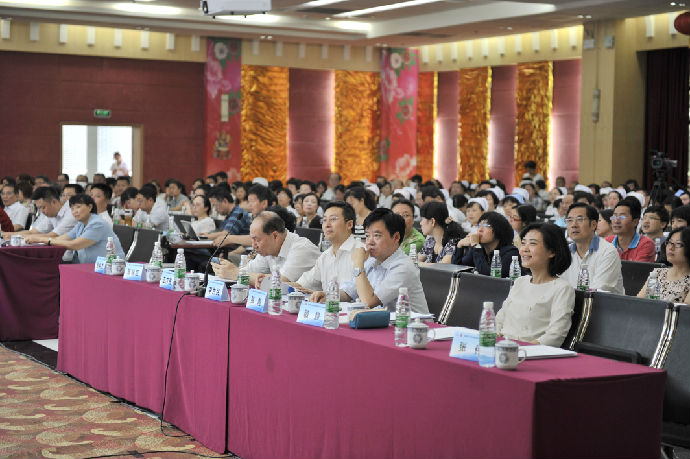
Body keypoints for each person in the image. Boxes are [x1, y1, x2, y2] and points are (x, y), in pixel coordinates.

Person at [312, 208, 429, 314]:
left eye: (377, 235)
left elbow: (368, 302)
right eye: (367, 235)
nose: (369, 242)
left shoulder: (403, 267)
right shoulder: (372, 260)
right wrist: (328, 295)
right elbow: (350, 292)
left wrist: (358, 265)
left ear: (396, 237)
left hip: (412, 327)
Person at [496, 222, 575, 347]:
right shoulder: (520, 282)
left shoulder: (562, 288)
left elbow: (555, 335)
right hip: (502, 347)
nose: (524, 249)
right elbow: (499, 319)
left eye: (532, 243)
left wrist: (521, 349)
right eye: (523, 243)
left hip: (529, 352)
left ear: (551, 251)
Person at [211, 211, 320, 284]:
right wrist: (226, 269)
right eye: (252, 239)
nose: (253, 245)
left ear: (275, 235)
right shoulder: (268, 249)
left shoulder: (301, 248)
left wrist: (236, 274)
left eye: (257, 240)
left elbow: (281, 283)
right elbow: (249, 271)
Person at [26, 194, 125, 263]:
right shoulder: (81, 224)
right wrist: (37, 240)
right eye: (72, 209)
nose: (74, 211)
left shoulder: (97, 224)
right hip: (90, 267)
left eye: (78, 207)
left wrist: (41, 239)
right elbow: (61, 239)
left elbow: (74, 245)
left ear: (90, 207)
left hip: (110, 268)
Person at [293, 201, 365, 293]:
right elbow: (302, 284)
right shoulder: (325, 256)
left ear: (349, 224)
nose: (327, 225)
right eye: (324, 220)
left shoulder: (362, 252)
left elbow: (356, 292)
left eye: (333, 219)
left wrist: (326, 295)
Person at [561, 203, 624, 294]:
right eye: (569, 220)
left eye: (580, 220)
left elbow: (598, 292)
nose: (574, 225)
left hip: (600, 302)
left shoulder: (608, 252)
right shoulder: (565, 252)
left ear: (593, 225)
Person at [453, 211, 519, 277]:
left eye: (486, 226)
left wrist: (476, 246)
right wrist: (459, 246)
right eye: (479, 225)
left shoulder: (511, 253)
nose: (480, 229)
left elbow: (488, 277)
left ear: (498, 230)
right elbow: (457, 271)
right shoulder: (478, 249)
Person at [2, 186, 77, 241]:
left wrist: (18, 237)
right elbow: (33, 232)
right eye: (39, 208)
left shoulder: (71, 212)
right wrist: (9, 234)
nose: (42, 211)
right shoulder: (51, 213)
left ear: (54, 202)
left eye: (43, 207)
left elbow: (53, 235)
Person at [638, 227, 690, 303]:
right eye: (669, 243)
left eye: (678, 244)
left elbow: (685, 310)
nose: (671, 248)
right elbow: (638, 303)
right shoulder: (658, 273)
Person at [606, 197, 655, 262]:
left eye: (622, 217)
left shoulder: (646, 244)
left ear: (635, 222)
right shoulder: (607, 242)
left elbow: (636, 268)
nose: (616, 221)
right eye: (614, 216)